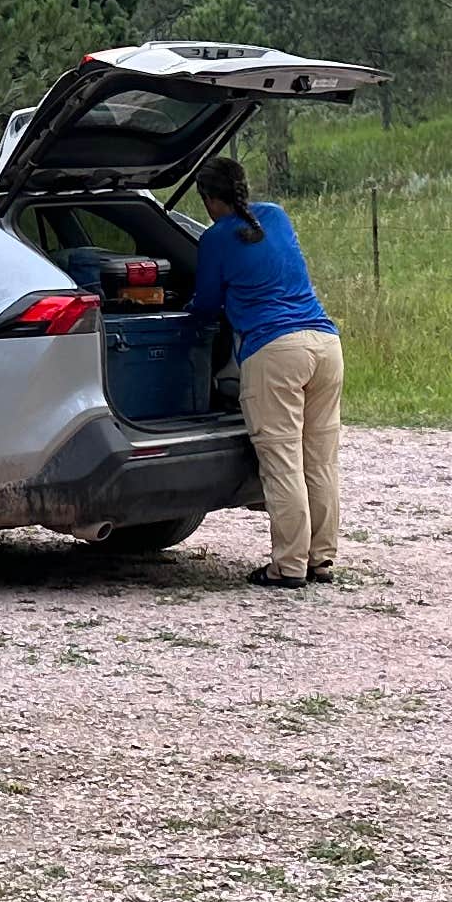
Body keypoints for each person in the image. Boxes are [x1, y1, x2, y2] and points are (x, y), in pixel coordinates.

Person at [184, 156, 342, 587]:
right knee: (320, 459)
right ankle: (319, 559)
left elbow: (206, 304)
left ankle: (288, 566)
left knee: (282, 462)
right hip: (325, 344)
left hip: (274, 352)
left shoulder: (216, 238)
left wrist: (188, 311)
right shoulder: (275, 214)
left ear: (210, 200)